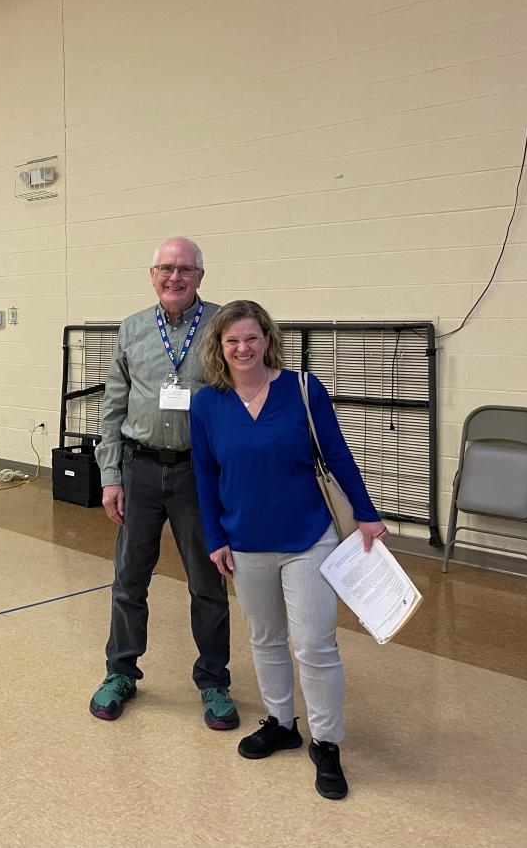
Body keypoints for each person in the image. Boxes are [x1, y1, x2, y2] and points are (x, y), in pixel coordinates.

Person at [189, 299, 388, 800]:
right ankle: (281, 722)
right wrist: (215, 539)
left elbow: (338, 452)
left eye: (251, 338)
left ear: (266, 339)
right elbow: (205, 477)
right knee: (266, 638)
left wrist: (366, 513)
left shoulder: (302, 388)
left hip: (309, 536)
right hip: (245, 542)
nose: (242, 347)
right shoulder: (208, 403)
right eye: (232, 340)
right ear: (219, 346)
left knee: (315, 644)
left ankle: (325, 743)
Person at [90, 237, 237, 731]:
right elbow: (112, 408)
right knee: (130, 577)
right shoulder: (132, 329)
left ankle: (214, 679)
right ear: (151, 274)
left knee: (207, 580)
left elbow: (242, 400)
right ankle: (121, 671)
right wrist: (110, 476)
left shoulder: (223, 326)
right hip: (141, 468)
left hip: (200, 472)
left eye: (185, 269)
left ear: (201, 275)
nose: (175, 277)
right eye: (166, 269)